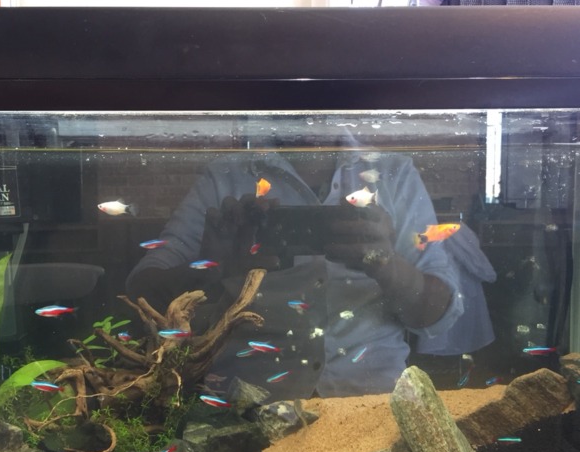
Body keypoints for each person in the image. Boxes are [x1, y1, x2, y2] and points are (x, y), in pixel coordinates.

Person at [126, 146, 468, 400]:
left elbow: (440, 313)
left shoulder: (395, 172)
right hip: (245, 407)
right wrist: (213, 268)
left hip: (371, 405)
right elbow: (139, 297)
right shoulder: (224, 175)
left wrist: (385, 264)